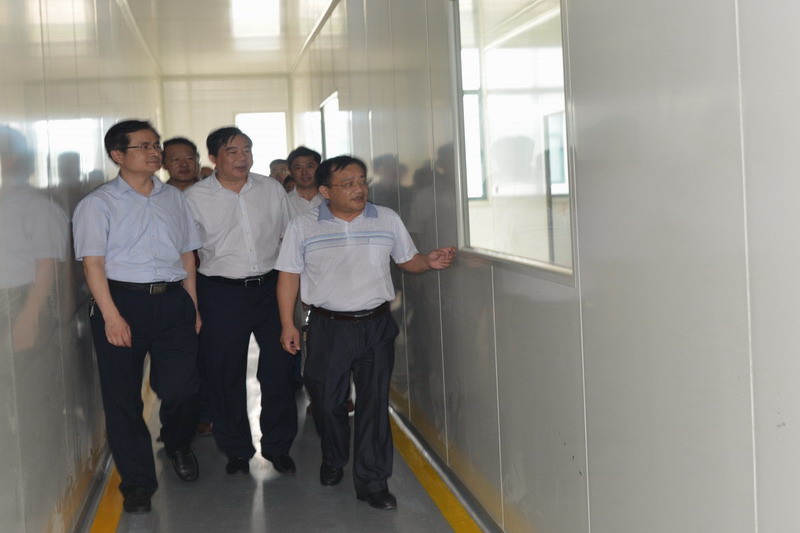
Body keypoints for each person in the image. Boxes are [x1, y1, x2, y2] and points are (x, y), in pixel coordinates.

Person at [275, 155, 456, 510]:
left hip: (376, 325)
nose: (358, 189)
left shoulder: (386, 218)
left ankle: (373, 482)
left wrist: (428, 261)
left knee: (373, 405)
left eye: (361, 181)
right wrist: (287, 324)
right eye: (348, 184)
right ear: (326, 191)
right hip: (328, 327)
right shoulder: (303, 226)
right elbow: (289, 276)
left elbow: (407, 259)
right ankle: (334, 455)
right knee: (327, 403)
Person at [72, 120, 202, 514]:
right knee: (123, 399)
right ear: (118, 155)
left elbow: (187, 255)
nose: (154, 152)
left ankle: (177, 443)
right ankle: (138, 484)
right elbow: (93, 264)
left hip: (174, 303)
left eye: (155, 145)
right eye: (144, 146)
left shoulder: (173, 198)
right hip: (121, 303)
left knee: (183, 389)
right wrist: (111, 316)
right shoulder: (98, 204)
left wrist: (193, 305)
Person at [184, 126, 297, 476]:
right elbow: (186, 255)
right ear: (213, 158)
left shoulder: (271, 189)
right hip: (219, 292)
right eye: (232, 151)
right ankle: (235, 449)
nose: (242, 157)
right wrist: (193, 307)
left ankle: (278, 446)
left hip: (270, 289)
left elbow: (290, 240)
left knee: (280, 368)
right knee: (224, 373)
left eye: (246, 149)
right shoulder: (194, 197)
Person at [160, 136, 212, 437]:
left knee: (206, 352)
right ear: (164, 164)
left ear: (198, 160)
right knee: (170, 358)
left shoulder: (211, 194)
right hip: (169, 285)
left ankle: (204, 414)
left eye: (189, 158)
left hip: (208, 281)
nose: (183, 164)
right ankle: (174, 420)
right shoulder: (157, 198)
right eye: (175, 159)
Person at [286, 146, 323, 215]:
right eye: (298, 168)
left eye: (309, 166)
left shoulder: (331, 200)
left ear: (319, 168)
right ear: (290, 172)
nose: (304, 172)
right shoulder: (285, 203)